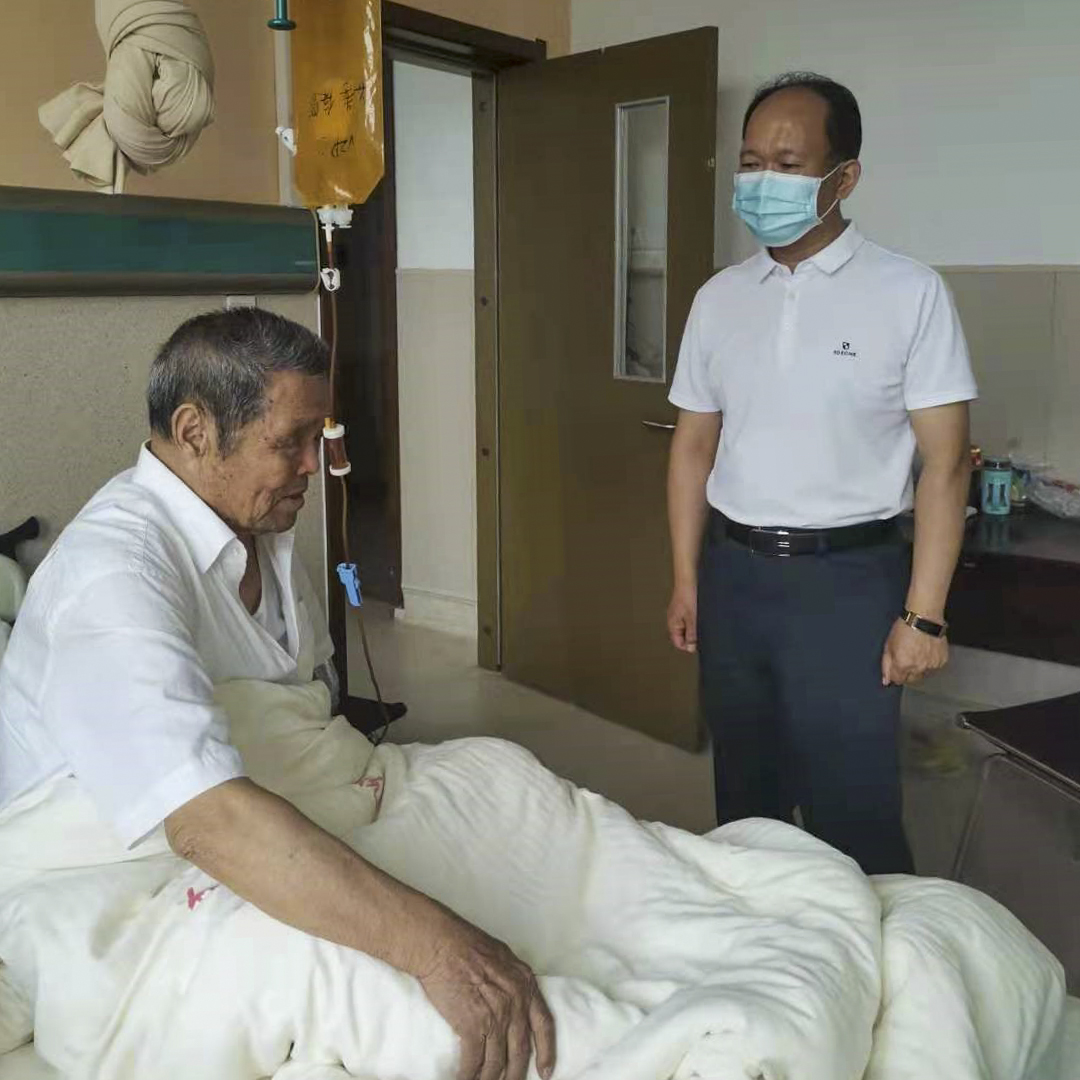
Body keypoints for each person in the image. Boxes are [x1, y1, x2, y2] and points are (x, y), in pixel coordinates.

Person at [0, 308, 555, 1080]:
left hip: (277, 800)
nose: (313, 465)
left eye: (318, 436)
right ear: (195, 432)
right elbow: (206, 823)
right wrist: (439, 950)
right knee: (389, 991)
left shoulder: (266, 537)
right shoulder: (114, 575)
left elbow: (298, 719)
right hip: (117, 873)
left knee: (501, 778)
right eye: (291, 440)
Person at [666, 73, 977, 875]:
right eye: (750, 162)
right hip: (734, 574)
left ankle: (875, 942)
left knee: (854, 807)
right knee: (746, 798)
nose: (762, 181)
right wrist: (688, 579)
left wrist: (924, 617)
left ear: (844, 178)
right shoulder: (719, 299)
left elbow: (946, 465)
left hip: (849, 583)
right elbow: (693, 446)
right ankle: (765, 936)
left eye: (788, 164)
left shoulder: (909, 293)